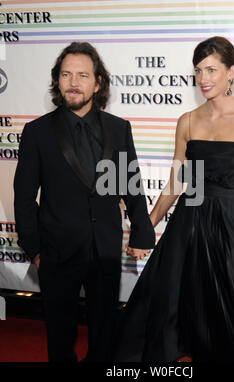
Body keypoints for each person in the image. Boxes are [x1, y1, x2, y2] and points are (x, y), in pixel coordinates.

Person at [114, 36, 234, 362]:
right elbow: (176, 183)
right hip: (188, 225)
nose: (203, 79)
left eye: (212, 70)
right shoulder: (187, 121)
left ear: (231, 71)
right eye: (198, 71)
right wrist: (145, 228)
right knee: (170, 308)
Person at [13, 41, 155, 362]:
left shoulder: (119, 129)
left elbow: (130, 185)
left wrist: (142, 232)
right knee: (60, 337)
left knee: (105, 335)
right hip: (57, 252)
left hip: (105, 249)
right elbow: (23, 197)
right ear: (57, 80)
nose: (74, 83)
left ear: (97, 82)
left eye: (82, 75)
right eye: (66, 75)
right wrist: (35, 250)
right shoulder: (37, 132)